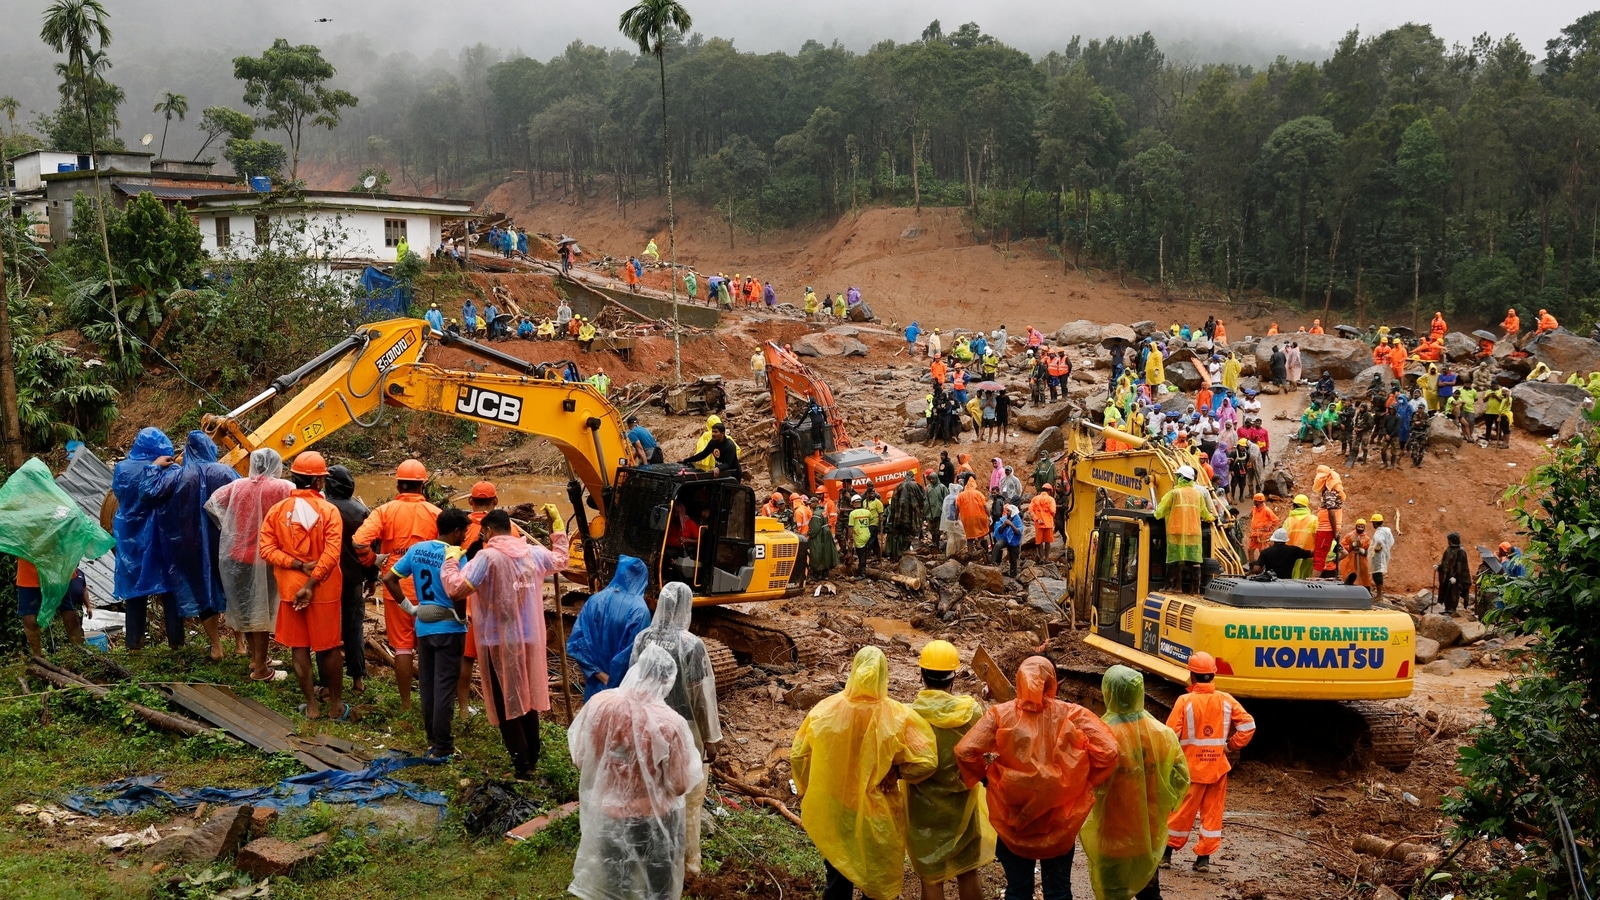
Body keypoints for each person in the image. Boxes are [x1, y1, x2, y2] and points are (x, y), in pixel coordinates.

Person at [955, 656, 1119, 900]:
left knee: (1018, 890)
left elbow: (965, 751)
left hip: (1014, 817)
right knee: (1058, 890)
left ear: (1019, 680)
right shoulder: (1072, 714)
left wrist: (988, 779)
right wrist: (1082, 782)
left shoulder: (1000, 714)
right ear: (1053, 682)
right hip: (1059, 822)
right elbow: (1110, 751)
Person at [791, 646, 938, 900]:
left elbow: (798, 755)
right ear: (884, 675)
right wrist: (899, 772)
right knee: (877, 881)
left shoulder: (824, 711)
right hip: (878, 810)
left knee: (838, 876)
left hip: (836, 807)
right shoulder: (899, 717)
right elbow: (927, 761)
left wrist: (807, 788)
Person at [568, 643, 700, 900]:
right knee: (659, 884)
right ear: (666, 679)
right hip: (654, 820)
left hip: (609, 813)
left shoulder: (599, 704)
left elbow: (582, 759)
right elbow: (679, 785)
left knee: (615, 881)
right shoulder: (670, 723)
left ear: (637, 669)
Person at [444, 509, 566, 779]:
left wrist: (451, 562)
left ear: (486, 531)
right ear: (510, 528)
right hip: (529, 638)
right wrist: (557, 531)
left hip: (499, 640)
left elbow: (456, 588)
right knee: (527, 697)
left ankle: (522, 768)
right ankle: (531, 758)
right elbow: (561, 560)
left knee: (507, 701)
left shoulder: (487, 558)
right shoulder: (532, 554)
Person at [1083, 666, 1191, 900]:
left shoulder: (1101, 735)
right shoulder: (1163, 734)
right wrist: (1165, 801)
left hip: (1111, 833)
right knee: (1149, 892)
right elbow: (1182, 777)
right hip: (1148, 832)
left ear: (1108, 693)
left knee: (1113, 893)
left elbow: (1083, 780)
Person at [258, 451, 346, 720]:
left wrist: (295, 566)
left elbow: (266, 549)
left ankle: (311, 706)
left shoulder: (277, 511)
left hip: (289, 592)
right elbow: (332, 554)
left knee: (300, 647)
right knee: (329, 647)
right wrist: (311, 583)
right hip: (323, 591)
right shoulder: (329, 511)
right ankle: (335, 706)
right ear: (319, 482)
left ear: (294, 479)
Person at [906, 641, 995, 900]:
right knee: (967, 872)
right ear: (954, 677)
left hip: (923, 809)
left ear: (922, 675)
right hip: (962, 804)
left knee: (932, 878)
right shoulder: (971, 712)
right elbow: (987, 751)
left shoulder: (910, 716)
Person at [352, 459, 441, 711]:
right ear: (422, 486)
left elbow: (359, 542)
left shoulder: (385, 511)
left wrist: (373, 561)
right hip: (430, 591)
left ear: (399, 484)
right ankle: (431, 703)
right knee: (428, 648)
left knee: (402, 649)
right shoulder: (436, 514)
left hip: (396, 590)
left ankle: (405, 705)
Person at [144, 431, 238, 661]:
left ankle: (216, 646)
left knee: (201, 590)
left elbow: (149, 492)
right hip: (223, 540)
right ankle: (241, 644)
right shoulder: (225, 472)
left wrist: (155, 466)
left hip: (189, 543)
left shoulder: (177, 476)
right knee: (233, 588)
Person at [385, 507, 470, 757]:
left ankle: (432, 738)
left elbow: (390, 578)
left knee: (428, 684)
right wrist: (461, 617)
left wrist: (408, 607)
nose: (465, 536)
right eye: (464, 532)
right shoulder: (455, 555)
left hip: (424, 625)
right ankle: (443, 746)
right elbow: (457, 591)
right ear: (456, 532)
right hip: (449, 627)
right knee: (445, 685)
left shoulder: (417, 549)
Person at [205, 448, 294, 679]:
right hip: (267, 556)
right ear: (276, 465)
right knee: (262, 612)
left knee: (249, 609)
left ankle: (257, 658)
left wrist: (232, 525)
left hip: (237, 555)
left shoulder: (237, 486)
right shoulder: (283, 487)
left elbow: (212, 504)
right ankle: (261, 671)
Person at [1164, 652, 1255, 873]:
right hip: (1217, 769)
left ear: (1192, 676)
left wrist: (1170, 762)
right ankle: (1203, 860)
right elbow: (1248, 725)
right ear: (1213, 675)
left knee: (1180, 812)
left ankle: (1165, 855)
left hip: (1191, 769)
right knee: (1212, 815)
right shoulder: (1226, 700)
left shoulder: (1184, 701)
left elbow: (1169, 735)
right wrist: (1230, 746)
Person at [113, 427, 181, 651]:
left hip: (130, 537)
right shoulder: (170, 469)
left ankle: (134, 645)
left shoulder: (122, 468)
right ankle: (177, 644)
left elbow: (118, 494)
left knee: (135, 592)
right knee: (170, 590)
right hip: (161, 537)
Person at [566, 556, 652, 700]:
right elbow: (633, 654)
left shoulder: (595, 600)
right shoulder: (640, 611)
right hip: (622, 692)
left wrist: (598, 673)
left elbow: (576, 643)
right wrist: (612, 681)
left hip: (595, 687)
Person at [323, 466, 376, 693]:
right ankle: (358, 680)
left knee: (325, 630)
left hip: (324, 579)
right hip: (353, 580)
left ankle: (326, 683)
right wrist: (372, 577)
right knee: (354, 629)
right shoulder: (361, 511)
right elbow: (371, 546)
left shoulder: (321, 509)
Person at [1155, 465, 1214, 592]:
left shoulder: (1174, 493)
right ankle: (1195, 590)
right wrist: (1210, 518)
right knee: (1195, 559)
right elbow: (1204, 512)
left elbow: (1160, 510)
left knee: (1174, 560)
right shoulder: (1197, 494)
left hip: (1176, 531)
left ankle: (1174, 587)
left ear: (1181, 478)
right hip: (1193, 532)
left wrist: (1156, 515)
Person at [886, 472, 926, 558]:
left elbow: (893, 501)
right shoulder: (915, 485)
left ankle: (903, 549)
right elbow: (922, 497)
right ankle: (906, 548)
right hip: (912, 513)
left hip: (899, 514)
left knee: (903, 531)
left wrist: (893, 515)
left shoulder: (898, 486)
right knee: (911, 530)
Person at [1436, 532, 1472, 616]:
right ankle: (1447, 608)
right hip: (1447, 576)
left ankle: (1452, 609)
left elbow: (1462, 566)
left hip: (1456, 577)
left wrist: (1456, 577)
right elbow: (1445, 563)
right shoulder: (1448, 550)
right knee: (1446, 591)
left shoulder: (1461, 551)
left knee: (1453, 592)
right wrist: (1439, 567)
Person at [1283, 495, 1318, 578]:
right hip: (1309, 555)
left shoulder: (1289, 520)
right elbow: (1319, 537)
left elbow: (1283, 538)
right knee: (1307, 580)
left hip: (1292, 556)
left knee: (1293, 579)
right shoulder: (1314, 519)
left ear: (1294, 505)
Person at [1338, 519, 1373, 588]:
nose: (1360, 528)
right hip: (1349, 561)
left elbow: (1369, 551)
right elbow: (1342, 547)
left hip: (1362, 562)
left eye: (1362, 527)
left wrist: (1362, 551)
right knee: (1349, 575)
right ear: (1356, 526)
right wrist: (1352, 546)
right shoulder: (1349, 536)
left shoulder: (1367, 539)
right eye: (1359, 526)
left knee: (1363, 577)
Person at [991, 504, 1023, 578]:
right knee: (998, 545)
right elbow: (999, 530)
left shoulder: (1017, 520)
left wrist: (1011, 524)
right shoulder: (1004, 518)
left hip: (1014, 541)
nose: (1007, 512)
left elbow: (1019, 532)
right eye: (1007, 510)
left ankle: (1013, 575)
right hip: (1005, 538)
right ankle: (992, 562)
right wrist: (1004, 525)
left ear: (1013, 512)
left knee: (1013, 559)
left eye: (1008, 511)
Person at [1246, 493, 1279, 562]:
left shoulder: (1267, 510)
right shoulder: (1255, 508)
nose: (1254, 502)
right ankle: (1252, 567)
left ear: (1259, 501)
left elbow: (1276, 520)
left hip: (1263, 535)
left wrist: (1269, 528)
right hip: (1255, 534)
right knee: (1250, 550)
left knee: (1263, 552)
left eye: (1255, 501)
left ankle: (1264, 567)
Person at [1030, 485, 1057, 561]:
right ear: (1049, 491)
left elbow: (1031, 511)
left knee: (1039, 542)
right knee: (1048, 542)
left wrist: (1037, 518)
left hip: (1039, 524)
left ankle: (1041, 558)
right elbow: (1053, 511)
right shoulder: (1051, 499)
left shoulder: (1035, 499)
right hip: (1048, 524)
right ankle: (1047, 558)